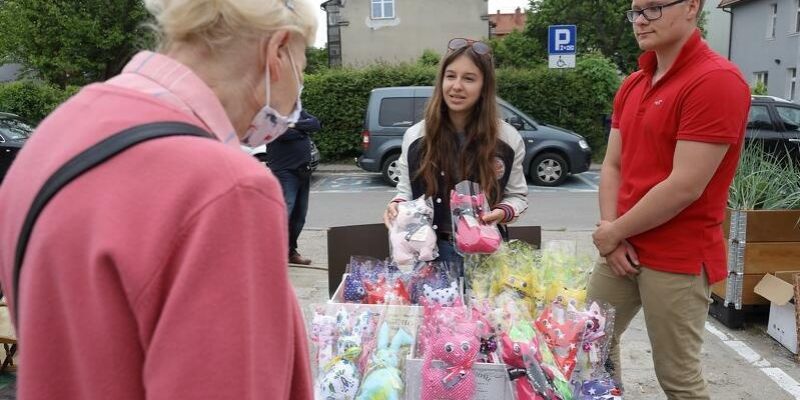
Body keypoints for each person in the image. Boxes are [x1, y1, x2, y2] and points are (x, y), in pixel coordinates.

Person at [0, 0, 318, 398]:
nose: (297, 94)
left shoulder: (56, 134)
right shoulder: (225, 188)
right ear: (277, 52)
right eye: (302, 71)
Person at [587, 0, 750, 398]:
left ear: (692, 6)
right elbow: (612, 166)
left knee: (677, 377)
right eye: (635, 11)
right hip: (623, 246)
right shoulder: (634, 83)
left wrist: (613, 232)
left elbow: (684, 186)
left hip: (677, 255)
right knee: (588, 345)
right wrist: (612, 232)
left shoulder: (716, 81)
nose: (640, 20)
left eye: (653, 9)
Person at [383, 38, 528, 269]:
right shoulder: (415, 136)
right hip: (426, 255)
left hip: (485, 257)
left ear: (484, 87)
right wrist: (396, 205)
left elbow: (517, 197)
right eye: (450, 76)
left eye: (469, 78)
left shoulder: (507, 139)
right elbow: (405, 191)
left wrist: (502, 212)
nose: (457, 86)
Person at [266, 109, 320, 265]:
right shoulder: (271, 115)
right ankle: (274, 252)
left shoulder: (297, 111)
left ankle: (290, 251)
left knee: (299, 217)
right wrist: (303, 131)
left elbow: (315, 124)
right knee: (284, 214)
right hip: (285, 171)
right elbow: (281, 134)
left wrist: (293, 124)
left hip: (303, 170)